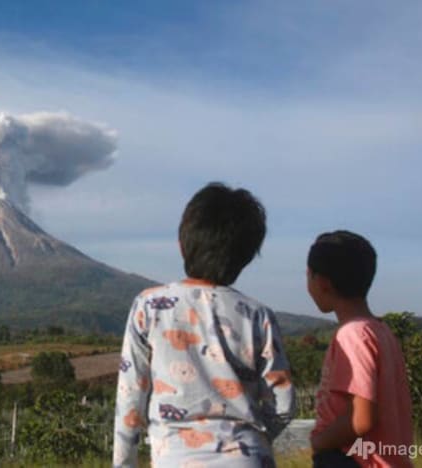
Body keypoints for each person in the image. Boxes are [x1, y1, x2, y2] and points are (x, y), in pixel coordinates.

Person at [113, 182, 295, 467]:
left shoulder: (148, 306)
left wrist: (124, 463)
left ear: (182, 243)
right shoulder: (259, 316)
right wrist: (251, 443)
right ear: (246, 256)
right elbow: (282, 403)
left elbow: (130, 398)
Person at [306, 231, 413, 468]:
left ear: (322, 283)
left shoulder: (352, 334)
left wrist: (319, 442)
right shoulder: (381, 331)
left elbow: (361, 418)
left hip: (354, 461)